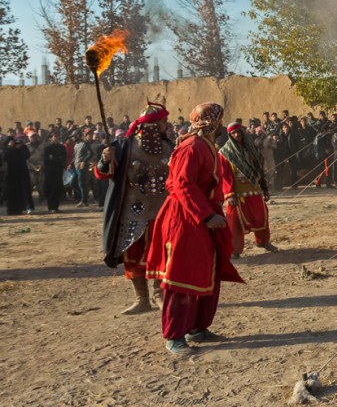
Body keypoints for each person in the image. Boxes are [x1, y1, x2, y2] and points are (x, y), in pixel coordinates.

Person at [145, 102, 243, 357]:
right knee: (183, 275)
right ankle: (175, 334)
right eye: (220, 120)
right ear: (214, 123)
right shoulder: (191, 148)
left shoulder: (207, 146)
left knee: (207, 270)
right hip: (185, 218)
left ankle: (197, 327)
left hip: (202, 216)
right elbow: (182, 185)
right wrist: (206, 215)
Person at [95, 102, 175, 314]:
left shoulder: (170, 146)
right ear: (151, 124)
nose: (166, 125)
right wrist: (105, 160)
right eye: (163, 121)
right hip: (132, 212)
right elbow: (104, 173)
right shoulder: (123, 147)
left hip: (162, 212)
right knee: (132, 256)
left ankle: (160, 293)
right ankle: (142, 299)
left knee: (162, 255)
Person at [219, 122, 275, 255]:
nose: (237, 135)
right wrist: (230, 194)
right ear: (230, 135)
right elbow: (225, 175)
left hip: (254, 190)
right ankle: (235, 250)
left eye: (239, 132)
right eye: (234, 133)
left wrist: (264, 188)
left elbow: (258, 170)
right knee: (235, 223)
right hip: (237, 194)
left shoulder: (251, 149)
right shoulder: (225, 153)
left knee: (261, 216)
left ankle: (263, 241)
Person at [3, 136, 34, 215]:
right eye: (10, 141)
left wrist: (21, 147)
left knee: (24, 190)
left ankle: (26, 207)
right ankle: (12, 209)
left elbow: (26, 155)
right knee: (11, 192)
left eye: (13, 141)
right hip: (10, 175)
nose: (12, 143)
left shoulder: (20, 149)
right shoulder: (5, 151)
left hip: (22, 174)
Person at [41, 132, 68, 213]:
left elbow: (63, 158)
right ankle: (51, 207)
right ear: (51, 138)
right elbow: (46, 160)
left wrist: (55, 159)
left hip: (59, 170)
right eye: (54, 136)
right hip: (50, 171)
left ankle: (56, 207)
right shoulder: (48, 148)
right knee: (51, 189)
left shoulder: (62, 147)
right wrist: (56, 159)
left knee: (58, 189)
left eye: (57, 136)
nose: (56, 138)